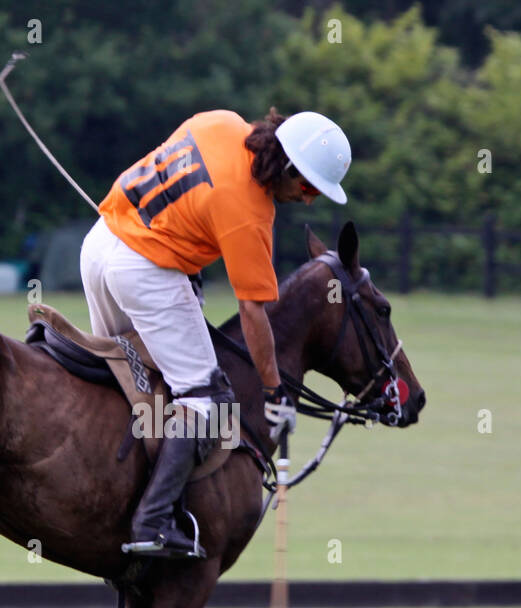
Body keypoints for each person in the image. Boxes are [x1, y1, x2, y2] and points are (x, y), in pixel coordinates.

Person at [80, 107, 352, 557]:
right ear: (286, 166)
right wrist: (274, 389)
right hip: (143, 271)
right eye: (307, 187)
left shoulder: (222, 122)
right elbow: (253, 311)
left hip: (102, 243)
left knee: (134, 384)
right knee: (208, 405)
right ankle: (151, 524)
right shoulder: (250, 212)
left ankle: (110, 508)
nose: (307, 201)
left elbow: (182, 199)